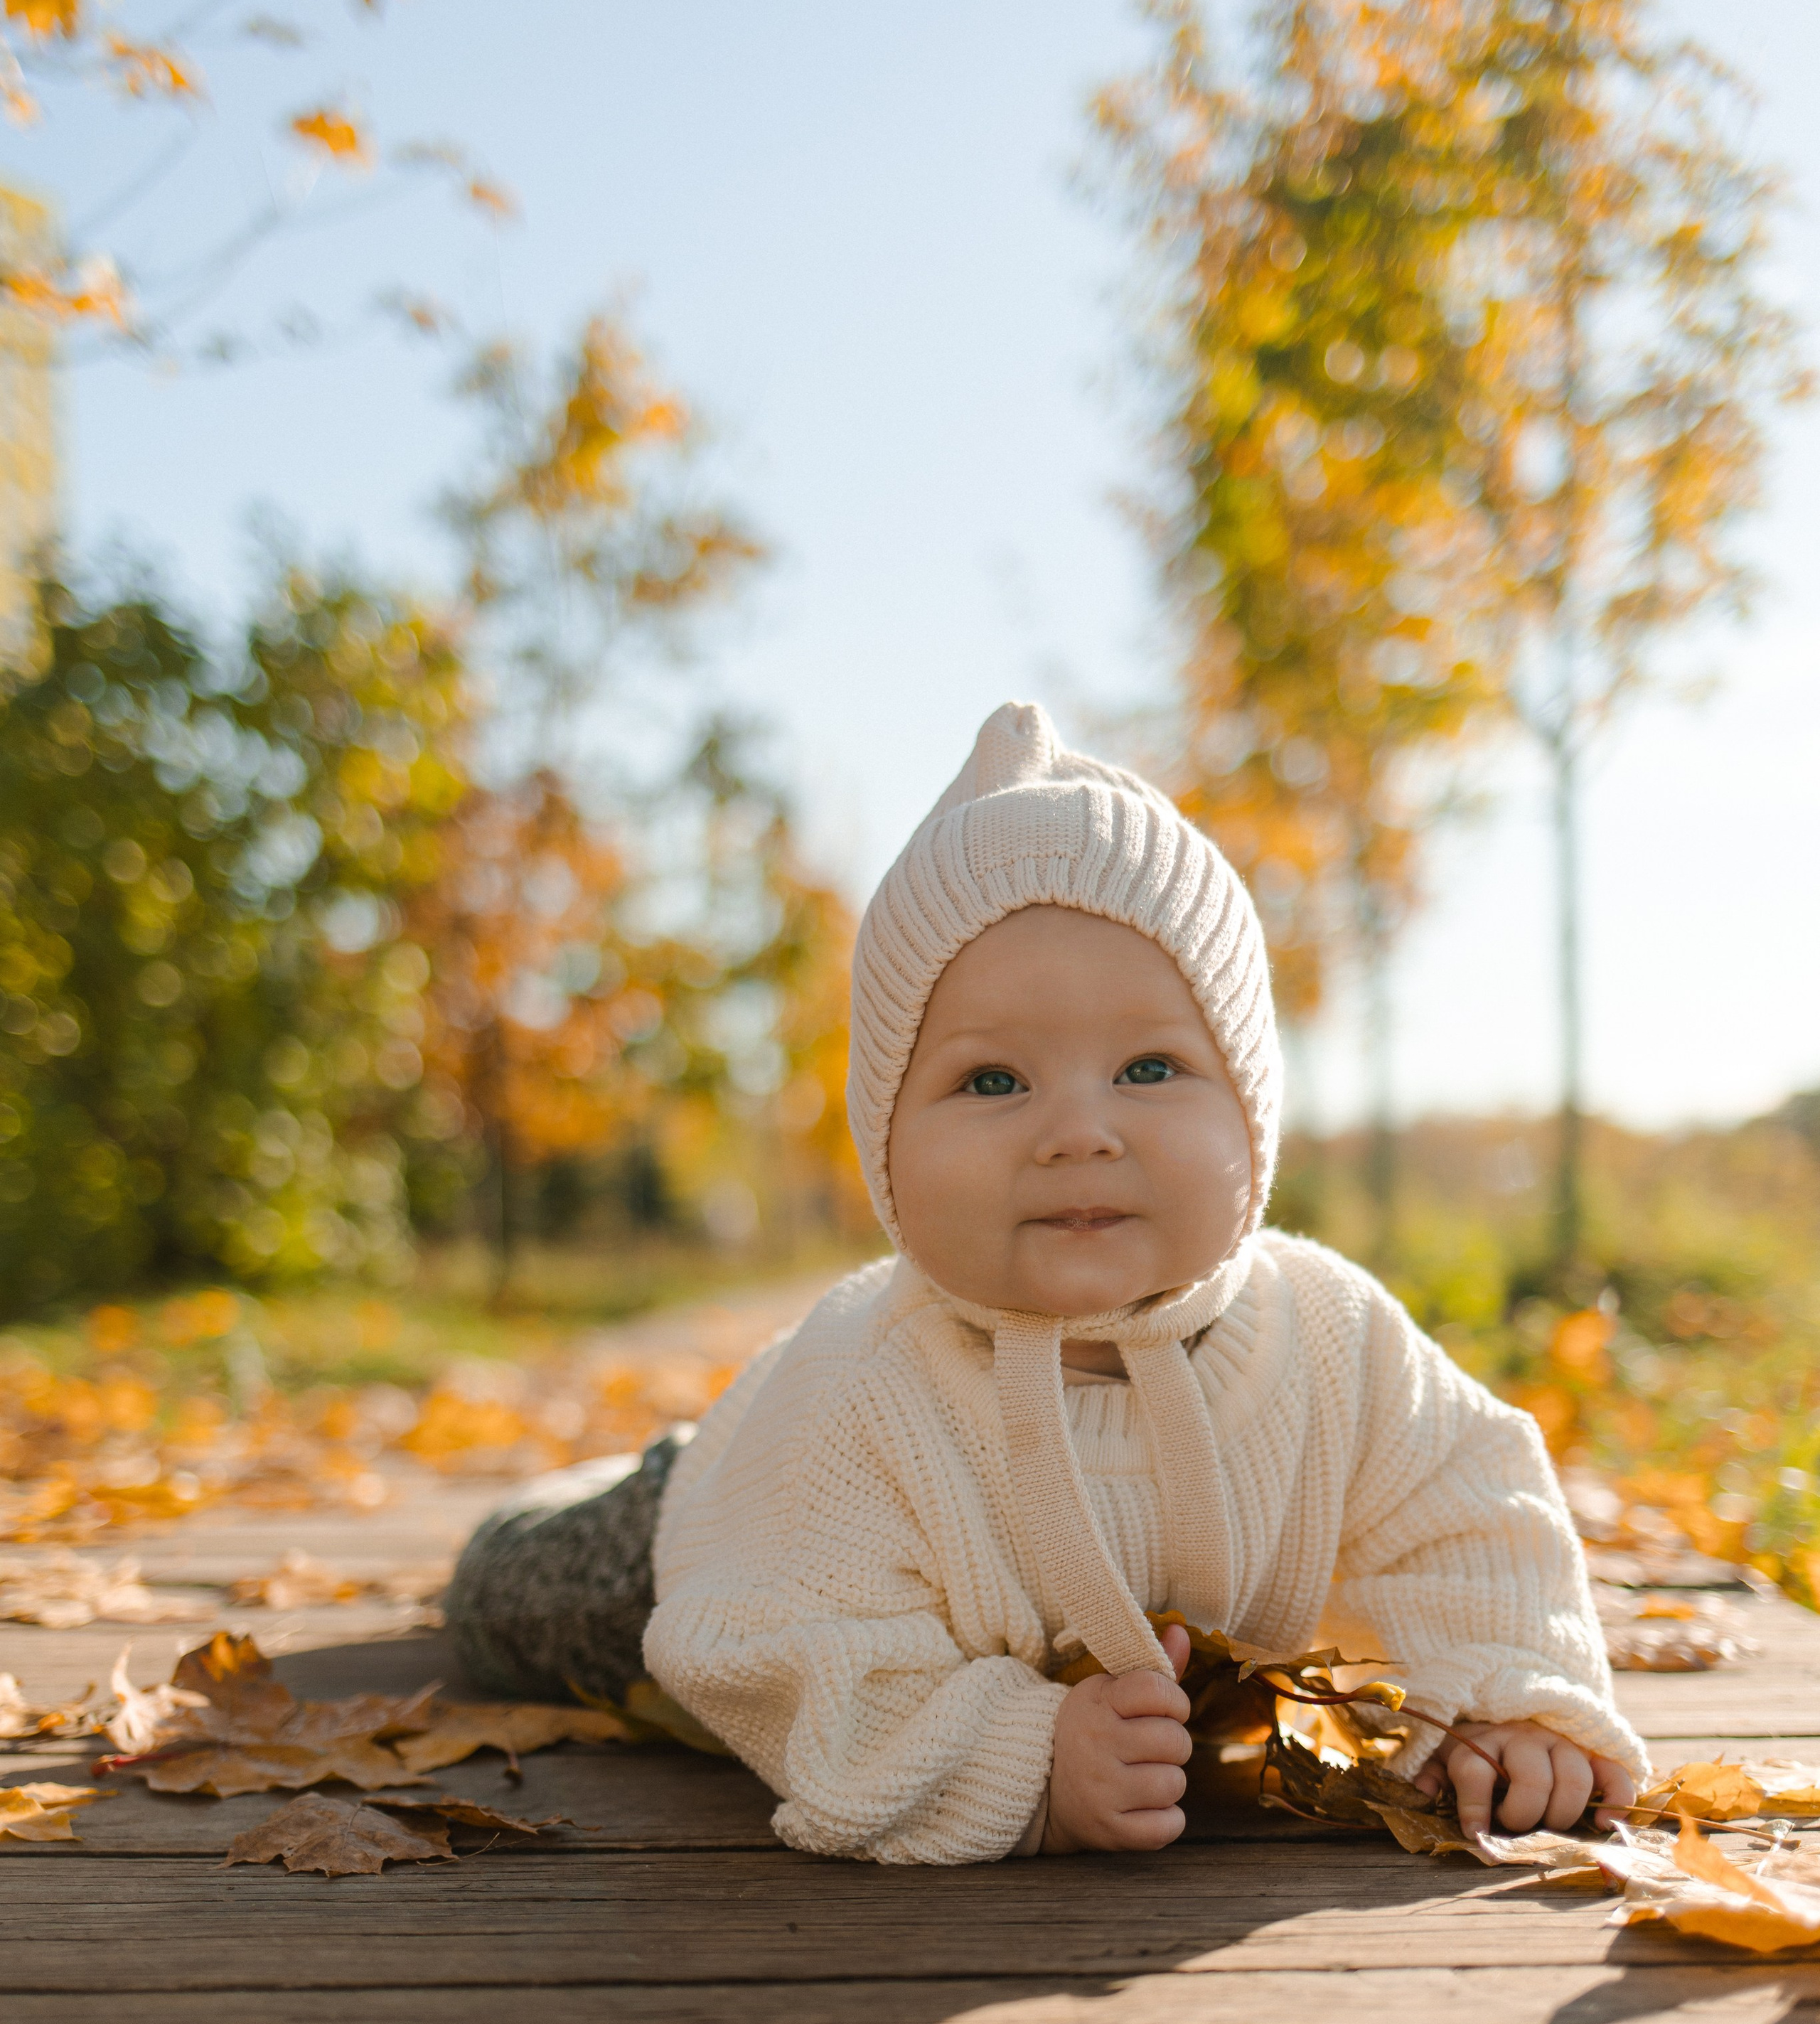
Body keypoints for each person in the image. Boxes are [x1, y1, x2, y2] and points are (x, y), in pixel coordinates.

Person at [447, 702, 1644, 1863]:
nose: (1078, 1130)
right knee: (502, 1600)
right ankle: (644, 1472)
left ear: (1253, 1111)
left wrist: (1509, 1696)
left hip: (842, 1536)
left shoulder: (1330, 1336)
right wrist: (1021, 1758)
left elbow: (1467, 1510)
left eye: (1150, 1066)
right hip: (708, 1542)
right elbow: (778, 1643)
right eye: (992, 1084)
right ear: (886, 1146)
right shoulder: (856, 1391)